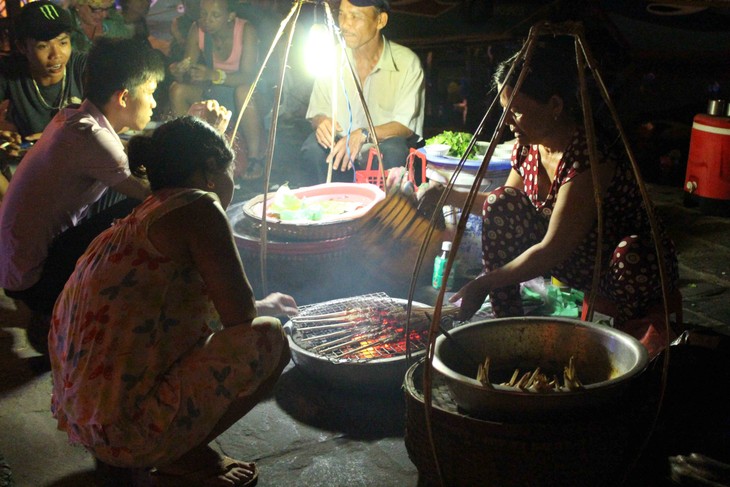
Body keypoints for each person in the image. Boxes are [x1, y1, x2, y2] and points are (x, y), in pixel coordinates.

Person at [49, 115, 297, 486]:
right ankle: (182, 454)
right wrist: (262, 311)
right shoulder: (199, 206)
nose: (235, 183)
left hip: (88, 424)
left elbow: (186, 312)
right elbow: (240, 318)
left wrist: (263, 304)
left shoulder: (145, 213)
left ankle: (169, 445)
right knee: (270, 340)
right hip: (128, 435)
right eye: (232, 173)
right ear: (211, 171)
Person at [433, 40, 679, 352]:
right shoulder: (529, 143)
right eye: (504, 111)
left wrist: (484, 281)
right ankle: (507, 328)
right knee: (500, 202)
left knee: (630, 252)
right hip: (576, 262)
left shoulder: (588, 156)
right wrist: (446, 195)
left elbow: (553, 248)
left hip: (623, 268)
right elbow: (501, 204)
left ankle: (625, 350)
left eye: (517, 112)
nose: (507, 123)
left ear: (555, 106)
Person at [0, 37, 166, 353]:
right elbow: (158, 196)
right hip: (34, 279)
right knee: (145, 207)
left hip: (13, 266)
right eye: (151, 93)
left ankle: (62, 304)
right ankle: (65, 310)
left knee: (123, 198)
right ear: (124, 97)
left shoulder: (73, 118)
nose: (155, 103)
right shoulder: (97, 140)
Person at [299, 0, 425, 187]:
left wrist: (363, 134)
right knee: (312, 148)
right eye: (341, 14)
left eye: (355, 16)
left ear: (380, 21)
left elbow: (406, 126)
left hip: (379, 153)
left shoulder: (407, 63)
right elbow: (317, 112)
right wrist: (322, 122)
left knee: (394, 150)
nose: (344, 24)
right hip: (341, 155)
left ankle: (385, 213)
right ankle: (326, 208)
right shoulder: (332, 58)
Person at [168, 0, 264, 180]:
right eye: (203, 14)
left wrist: (214, 75)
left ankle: (254, 158)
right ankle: (188, 151)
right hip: (217, 93)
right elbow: (188, 69)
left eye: (215, 15)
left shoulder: (245, 31)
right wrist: (179, 70)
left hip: (247, 95)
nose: (207, 20)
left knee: (243, 91)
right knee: (177, 90)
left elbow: (249, 77)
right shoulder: (198, 30)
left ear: (230, 16)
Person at [0, 0, 86, 196]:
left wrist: (58, 136)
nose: (56, 55)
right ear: (22, 47)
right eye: (43, 46)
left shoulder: (82, 66)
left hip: (79, 168)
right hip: (28, 169)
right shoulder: (9, 72)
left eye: (63, 42)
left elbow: (115, 120)